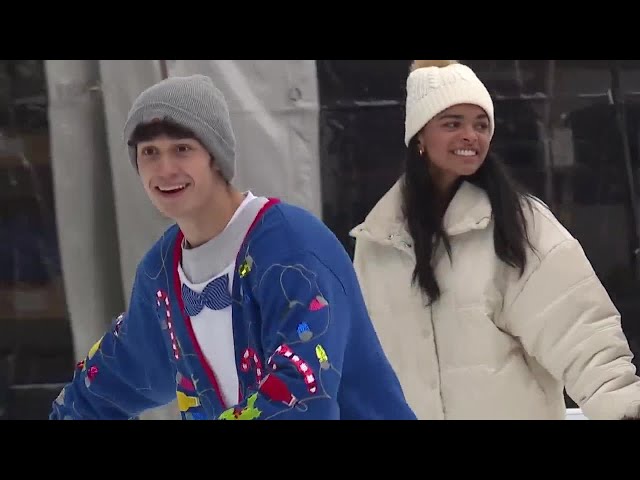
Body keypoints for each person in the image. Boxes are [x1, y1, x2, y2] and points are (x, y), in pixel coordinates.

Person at [49, 74, 416, 420]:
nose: (165, 169)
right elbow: (125, 370)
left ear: (216, 156)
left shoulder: (291, 246)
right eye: (149, 153)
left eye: (182, 149)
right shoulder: (161, 270)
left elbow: (302, 394)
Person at [350, 60, 640, 420]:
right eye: (452, 123)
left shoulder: (520, 224)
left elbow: (580, 330)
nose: (471, 135)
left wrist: (623, 407)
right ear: (420, 136)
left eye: (481, 124)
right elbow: (361, 358)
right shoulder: (378, 241)